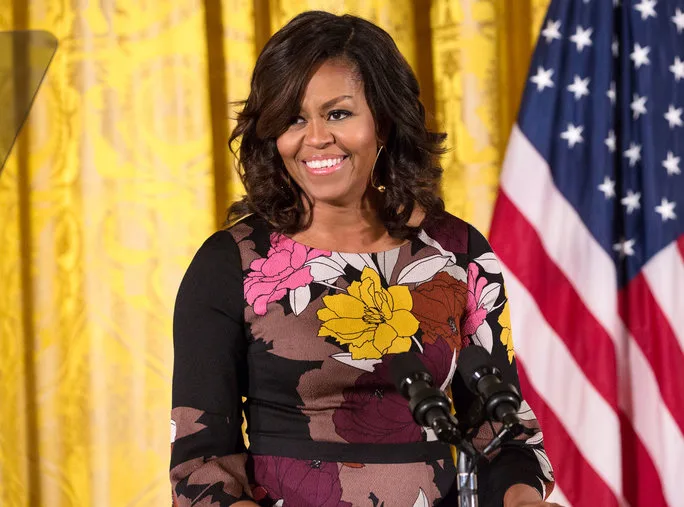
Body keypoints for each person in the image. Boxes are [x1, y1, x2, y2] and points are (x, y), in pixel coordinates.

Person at [170, 10, 559, 507]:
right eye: (293, 118)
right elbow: (200, 466)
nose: (315, 139)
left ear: (385, 120)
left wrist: (524, 499)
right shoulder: (229, 264)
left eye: (338, 114)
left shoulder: (456, 252)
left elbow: (502, 432)